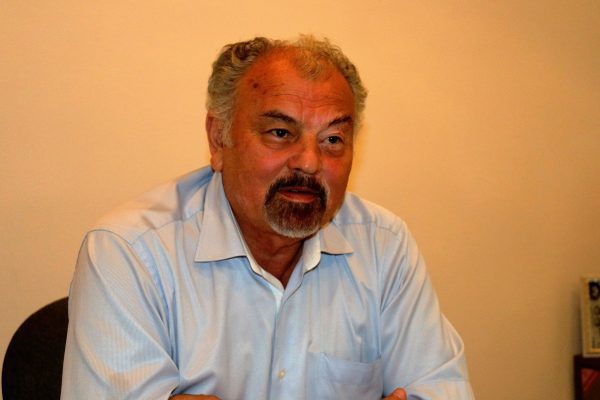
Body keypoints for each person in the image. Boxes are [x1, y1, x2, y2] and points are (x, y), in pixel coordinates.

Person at [61, 35, 474, 399]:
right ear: (218, 138)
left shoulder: (384, 245)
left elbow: (442, 388)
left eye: (333, 139)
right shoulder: (130, 252)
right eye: (280, 133)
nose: (309, 162)